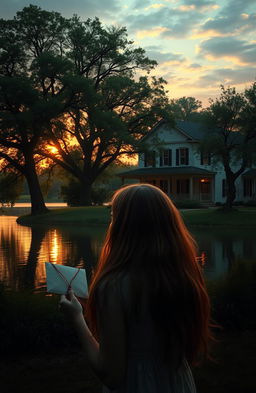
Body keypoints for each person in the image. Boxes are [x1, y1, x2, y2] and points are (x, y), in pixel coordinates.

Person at [59, 184, 213, 393]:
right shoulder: (183, 277)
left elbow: (111, 375)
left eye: (114, 217)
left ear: (122, 227)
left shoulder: (113, 285)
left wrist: (77, 318)